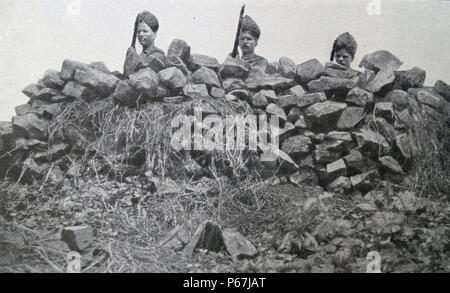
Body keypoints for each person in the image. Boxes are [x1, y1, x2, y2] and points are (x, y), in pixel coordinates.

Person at [123, 11, 167, 76]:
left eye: (145, 31)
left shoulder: (158, 56)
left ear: (154, 35)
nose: (141, 34)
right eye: (139, 31)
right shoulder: (140, 56)